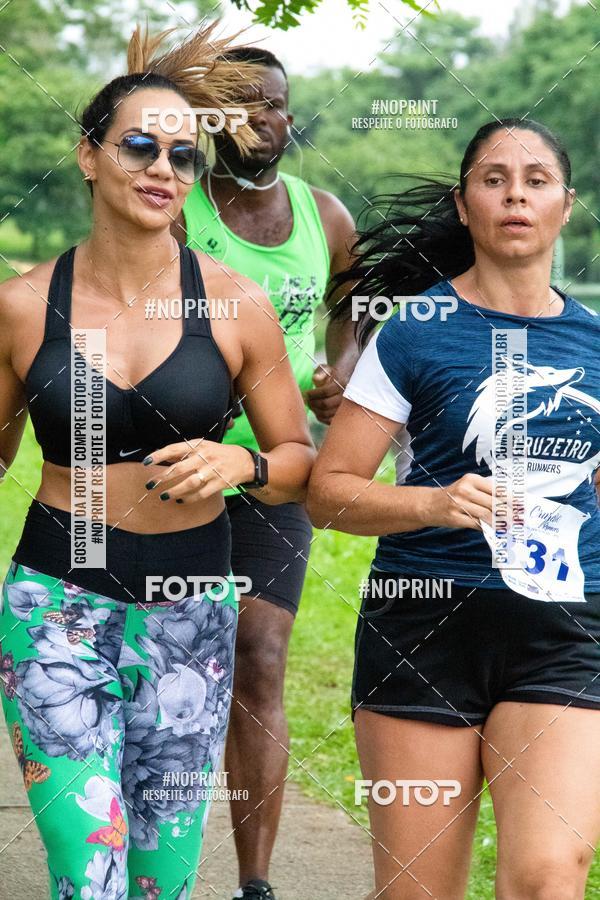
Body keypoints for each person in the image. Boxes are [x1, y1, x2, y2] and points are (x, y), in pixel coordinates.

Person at [0, 23, 315, 900]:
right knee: (85, 868)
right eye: (139, 145)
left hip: (190, 614)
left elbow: (298, 462)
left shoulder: (234, 305)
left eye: (183, 155)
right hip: (58, 602)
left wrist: (239, 465)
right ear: (89, 157)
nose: (161, 169)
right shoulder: (22, 308)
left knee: (159, 882)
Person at [307, 118, 600, 899]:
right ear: (466, 206)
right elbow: (329, 494)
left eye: (536, 181)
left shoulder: (595, 344)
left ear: (565, 206)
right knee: (417, 889)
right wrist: (435, 502)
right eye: (493, 179)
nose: (515, 194)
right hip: (423, 627)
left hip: (563, 631)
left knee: (549, 877)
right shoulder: (414, 334)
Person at [172, 46, 357, 900]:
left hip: (276, 471)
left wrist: (342, 369)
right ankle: (140, 852)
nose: (265, 119)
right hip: (171, 467)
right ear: (207, 120)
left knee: (261, 652)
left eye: (278, 103)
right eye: (244, 105)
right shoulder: (178, 210)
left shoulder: (327, 217)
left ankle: (255, 881)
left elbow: (350, 319)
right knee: (169, 661)